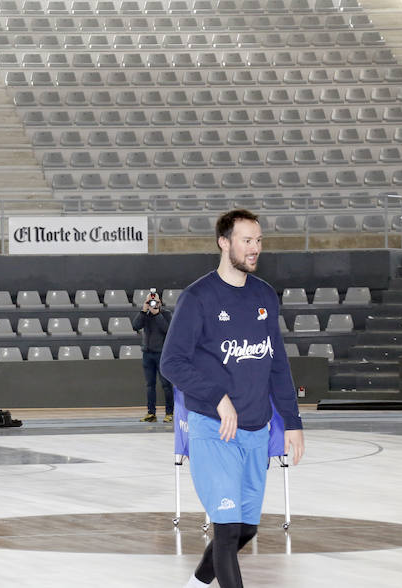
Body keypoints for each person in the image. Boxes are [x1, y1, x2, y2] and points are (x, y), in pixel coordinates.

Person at [160, 209, 305, 588]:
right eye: (247, 240)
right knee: (225, 533)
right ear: (224, 242)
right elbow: (171, 362)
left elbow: (277, 364)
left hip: (256, 431)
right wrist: (217, 397)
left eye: (258, 240)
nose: (255, 248)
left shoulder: (264, 295)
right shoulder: (198, 298)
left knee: (244, 531)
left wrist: (292, 421)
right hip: (215, 431)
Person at [132, 289, 174, 423]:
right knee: (150, 385)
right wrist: (143, 311)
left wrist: (157, 314)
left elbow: (168, 330)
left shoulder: (166, 314)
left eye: (155, 301)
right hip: (147, 354)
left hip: (162, 354)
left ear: (160, 302)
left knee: (166, 385)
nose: (152, 303)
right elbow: (135, 326)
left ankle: (169, 413)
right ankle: (151, 413)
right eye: (149, 301)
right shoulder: (145, 315)